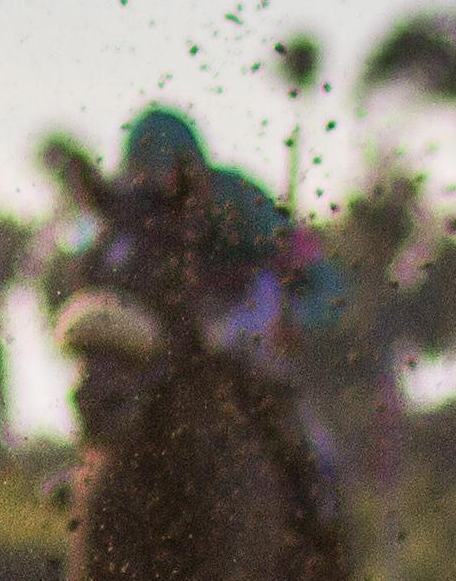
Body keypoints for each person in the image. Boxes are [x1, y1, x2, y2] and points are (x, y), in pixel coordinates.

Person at [88, 109, 349, 551]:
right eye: (140, 183)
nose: (153, 197)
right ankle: (90, 468)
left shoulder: (241, 202)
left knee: (238, 352)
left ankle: (311, 468)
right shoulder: (129, 213)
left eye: (161, 183)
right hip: (176, 322)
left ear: (192, 175)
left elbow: (327, 283)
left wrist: (297, 317)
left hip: (247, 308)